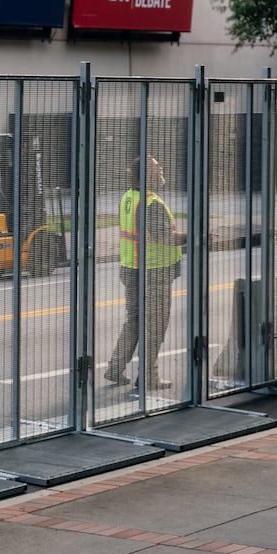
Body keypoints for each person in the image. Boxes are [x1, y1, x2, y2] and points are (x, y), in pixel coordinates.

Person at [107, 155, 187, 391]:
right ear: (145, 175)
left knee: (134, 321)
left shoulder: (129, 198)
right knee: (154, 325)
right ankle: (149, 376)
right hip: (153, 273)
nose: (161, 168)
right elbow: (165, 238)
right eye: (155, 166)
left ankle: (115, 368)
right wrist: (194, 236)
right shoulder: (151, 203)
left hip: (132, 269)